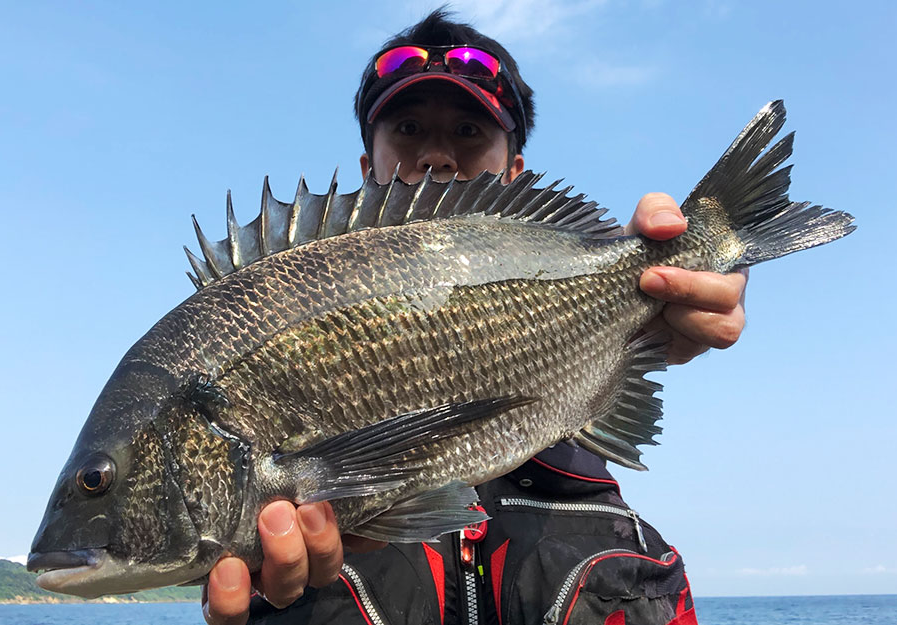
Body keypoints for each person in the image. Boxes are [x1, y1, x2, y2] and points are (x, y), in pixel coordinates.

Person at [203, 9, 745, 625]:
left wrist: (674, 294)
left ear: (515, 175)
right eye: (407, 128)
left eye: (467, 131)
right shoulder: (283, 302)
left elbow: (643, 314)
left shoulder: (573, 308)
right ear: (365, 171)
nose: (436, 156)